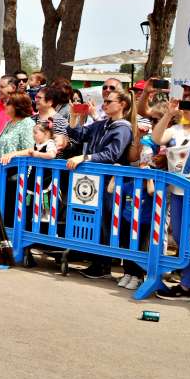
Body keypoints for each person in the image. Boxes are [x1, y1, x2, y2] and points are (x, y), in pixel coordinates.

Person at [148, 80, 190, 299]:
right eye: (184, 102)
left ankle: (187, 285)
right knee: (182, 236)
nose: (185, 107)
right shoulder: (176, 128)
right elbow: (156, 138)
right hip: (178, 190)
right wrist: (168, 114)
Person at [67, 89, 135, 279]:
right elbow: (78, 135)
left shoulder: (123, 128)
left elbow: (111, 154)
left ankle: (104, 263)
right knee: (97, 219)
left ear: (122, 104)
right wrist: (74, 116)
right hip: (96, 181)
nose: (104, 105)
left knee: (107, 220)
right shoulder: (102, 124)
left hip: (111, 182)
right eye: (104, 102)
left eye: (109, 101)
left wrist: (85, 157)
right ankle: (96, 260)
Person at [0, 92, 36, 163]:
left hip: (18, 170)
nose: (4, 105)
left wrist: (13, 154)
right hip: (3, 169)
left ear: (18, 106)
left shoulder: (28, 124)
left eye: (8, 103)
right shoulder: (9, 123)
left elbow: (31, 150)